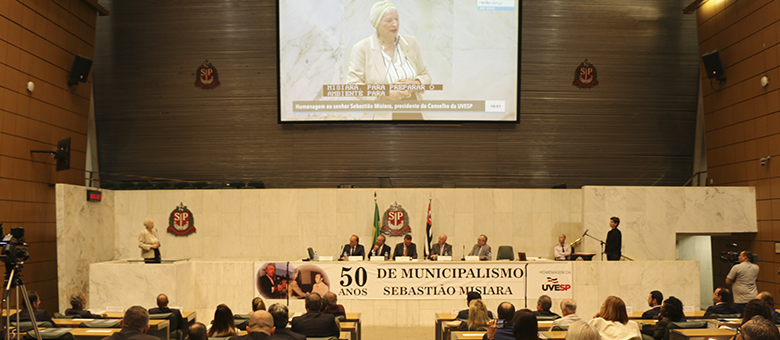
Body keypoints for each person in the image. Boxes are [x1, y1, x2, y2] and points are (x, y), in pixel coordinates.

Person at [346, 0, 431, 101]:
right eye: (389, 20)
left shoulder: (410, 42)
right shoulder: (362, 48)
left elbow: (424, 75)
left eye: (397, 19)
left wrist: (417, 83)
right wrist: (384, 93)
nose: (395, 24)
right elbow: (353, 86)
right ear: (377, 24)